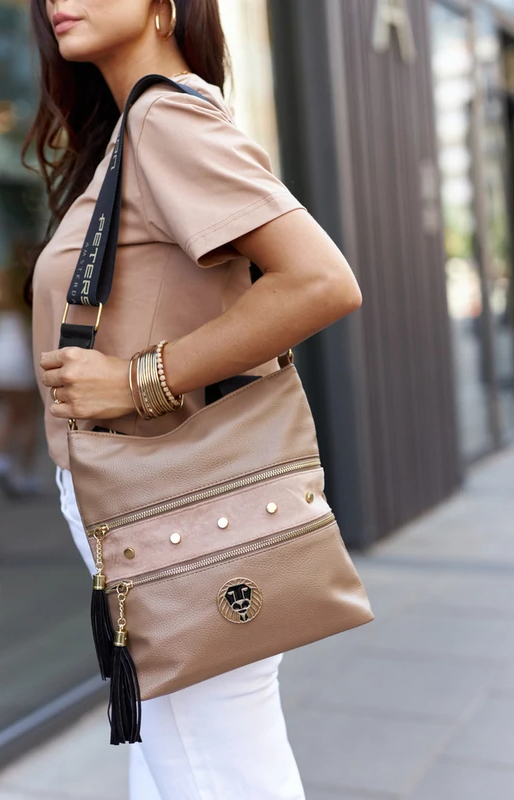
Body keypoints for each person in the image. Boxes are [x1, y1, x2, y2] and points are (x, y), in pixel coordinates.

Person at [23, 1, 362, 797]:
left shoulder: (166, 120)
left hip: (166, 511)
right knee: (185, 765)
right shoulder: (143, 127)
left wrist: (137, 378)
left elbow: (320, 281)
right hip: (157, 509)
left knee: (216, 774)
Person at [0, 241, 44, 497]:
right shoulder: (24, 309)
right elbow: (26, 340)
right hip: (19, 361)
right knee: (29, 418)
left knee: (10, 413)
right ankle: (25, 474)